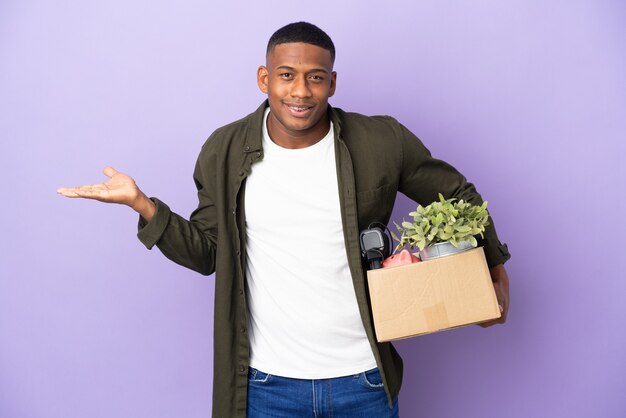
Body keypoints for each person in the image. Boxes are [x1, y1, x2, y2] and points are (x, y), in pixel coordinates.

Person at [58, 21, 511, 418]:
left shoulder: (382, 140)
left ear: (332, 83)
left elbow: (457, 195)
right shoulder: (225, 150)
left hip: (365, 380)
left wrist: (493, 275)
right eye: (287, 76)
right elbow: (207, 254)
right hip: (266, 386)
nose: (300, 91)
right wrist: (142, 204)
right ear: (264, 79)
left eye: (315, 78)